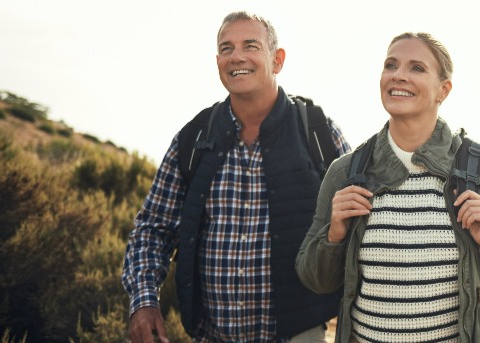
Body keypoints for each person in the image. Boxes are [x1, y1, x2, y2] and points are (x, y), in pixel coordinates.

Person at [296, 32, 480, 343]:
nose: (398, 76)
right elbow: (314, 279)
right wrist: (334, 234)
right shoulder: (346, 173)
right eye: (391, 65)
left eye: (416, 68)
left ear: (443, 90)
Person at [122, 11, 350, 342]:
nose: (237, 56)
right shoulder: (193, 138)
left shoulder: (318, 132)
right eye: (226, 48)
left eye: (250, 45)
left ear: (278, 60)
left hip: (299, 333)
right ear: (218, 62)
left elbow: (363, 223)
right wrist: (144, 302)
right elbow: (152, 229)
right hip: (211, 334)